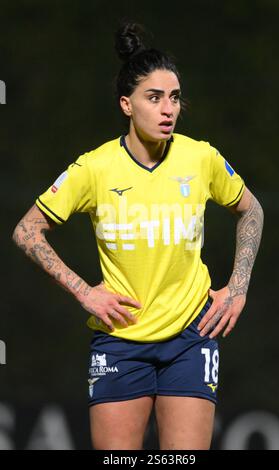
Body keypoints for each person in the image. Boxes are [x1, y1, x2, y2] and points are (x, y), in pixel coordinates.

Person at [12, 21, 264, 450]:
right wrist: (82, 291)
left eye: (175, 98)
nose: (169, 109)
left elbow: (251, 209)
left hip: (191, 335)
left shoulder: (200, 157)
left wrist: (237, 288)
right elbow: (26, 229)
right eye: (154, 98)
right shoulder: (94, 167)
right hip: (119, 341)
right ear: (126, 105)